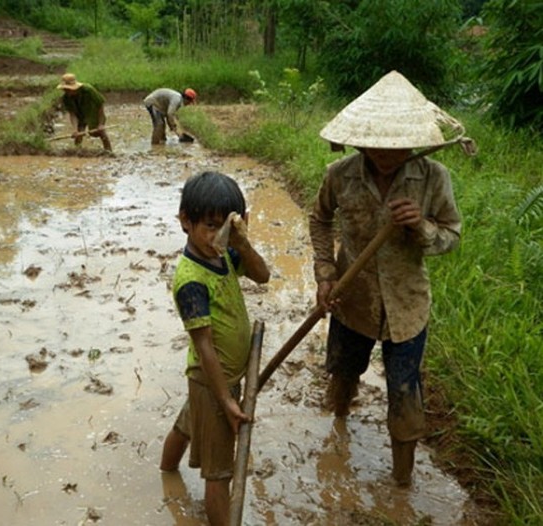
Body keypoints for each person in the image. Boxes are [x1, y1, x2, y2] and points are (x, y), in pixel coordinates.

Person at [309, 70, 475, 487]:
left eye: (398, 147)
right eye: (377, 146)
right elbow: (320, 219)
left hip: (407, 306)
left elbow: (451, 236)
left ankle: (402, 486)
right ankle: (339, 435)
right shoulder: (340, 174)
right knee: (342, 376)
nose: (386, 154)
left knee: (404, 394)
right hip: (351, 300)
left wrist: (420, 226)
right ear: (360, 140)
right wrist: (325, 273)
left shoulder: (434, 178)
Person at [160, 171, 270, 525]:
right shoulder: (191, 281)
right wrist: (226, 400)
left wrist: (242, 243)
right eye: (210, 226)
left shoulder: (223, 254)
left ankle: (166, 472)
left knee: (188, 424)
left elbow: (263, 276)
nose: (217, 235)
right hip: (213, 381)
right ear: (185, 222)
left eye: (227, 226)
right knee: (219, 472)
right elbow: (204, 345)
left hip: (217, 379)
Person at [57, 73, 112, 152]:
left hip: (92, 112)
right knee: (78, 134)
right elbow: (73, 114)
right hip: (80, 114)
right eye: (65, 90)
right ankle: (77, 152)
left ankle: (109, 152)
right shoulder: (66, 98)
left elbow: (100, 104)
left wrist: (101, 123)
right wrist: (75, 130)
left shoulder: (88, 90)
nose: (66, 92)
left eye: (68, 89)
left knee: (100, 132)